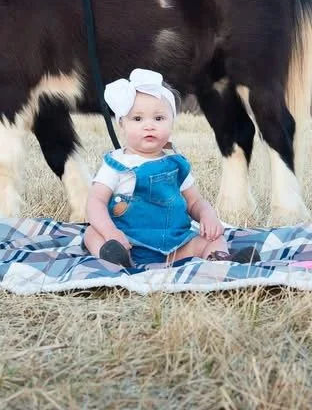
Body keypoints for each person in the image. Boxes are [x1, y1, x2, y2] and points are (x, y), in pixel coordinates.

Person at [83, 68, 262, 268]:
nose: (149, 126)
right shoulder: (116, 165)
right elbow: (95, 202)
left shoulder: (176, 164)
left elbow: (194, 202)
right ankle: (116, 259)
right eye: (138, 119)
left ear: (172, 122)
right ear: (121, 124)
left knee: (212, 238)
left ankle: (220, 260)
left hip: (176, 244)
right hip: (127, 242)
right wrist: (110, 233)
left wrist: (207, 215)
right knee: (92, 233)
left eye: (159, 118)